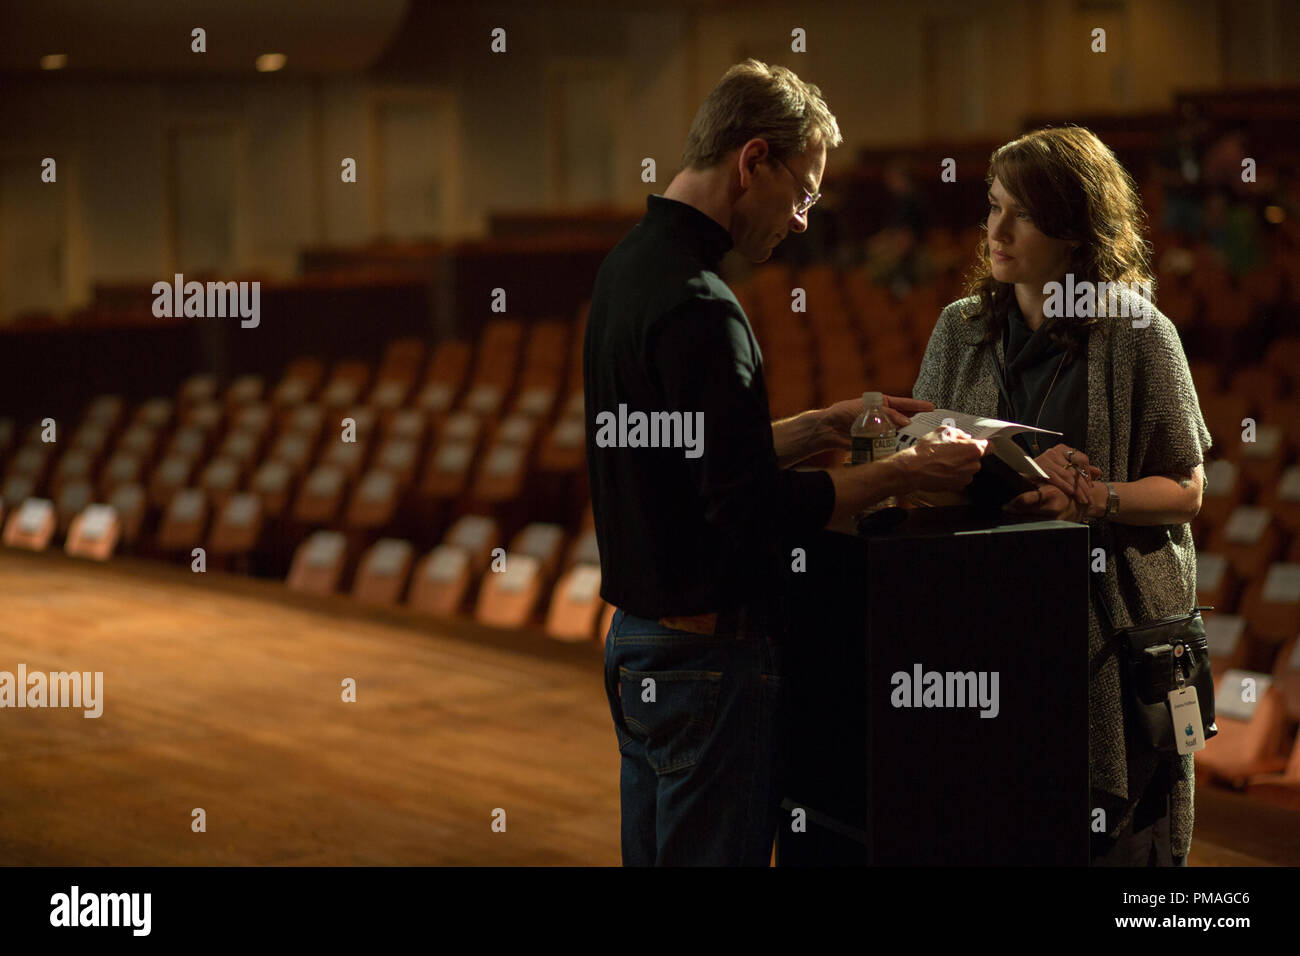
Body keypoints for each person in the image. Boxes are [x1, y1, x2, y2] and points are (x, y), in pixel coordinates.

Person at [584, 59, 988, 866]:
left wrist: (822, 426)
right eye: (804, 193)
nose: (804, 220)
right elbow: (750, 508)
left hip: (638, 646)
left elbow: (687, 459)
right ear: (753, 160)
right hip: (708, 660)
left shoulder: (629, 268)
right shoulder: (703, 306)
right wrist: (906, 474)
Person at [912, 125, 1211, 866]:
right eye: (992, 207)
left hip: (1110, 638)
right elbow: (923, 454)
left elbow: (1186, 490)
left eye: (1023, 214)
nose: (997, 230)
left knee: (1117, 850)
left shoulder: (1141, 333)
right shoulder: (962, 328)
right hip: (990, 625)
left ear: (1077, 230)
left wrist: (1088, 500)